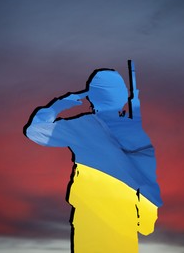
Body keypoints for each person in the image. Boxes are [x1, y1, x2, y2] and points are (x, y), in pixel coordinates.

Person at [24, 61, 162, 252]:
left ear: (93, 98)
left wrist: (58, 105)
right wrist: (145, 222)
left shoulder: (83, 126)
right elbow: (148, 181)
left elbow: (34, 131)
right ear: (122, 98)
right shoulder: (137, 135)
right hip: (124, 226)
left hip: (89, 225)